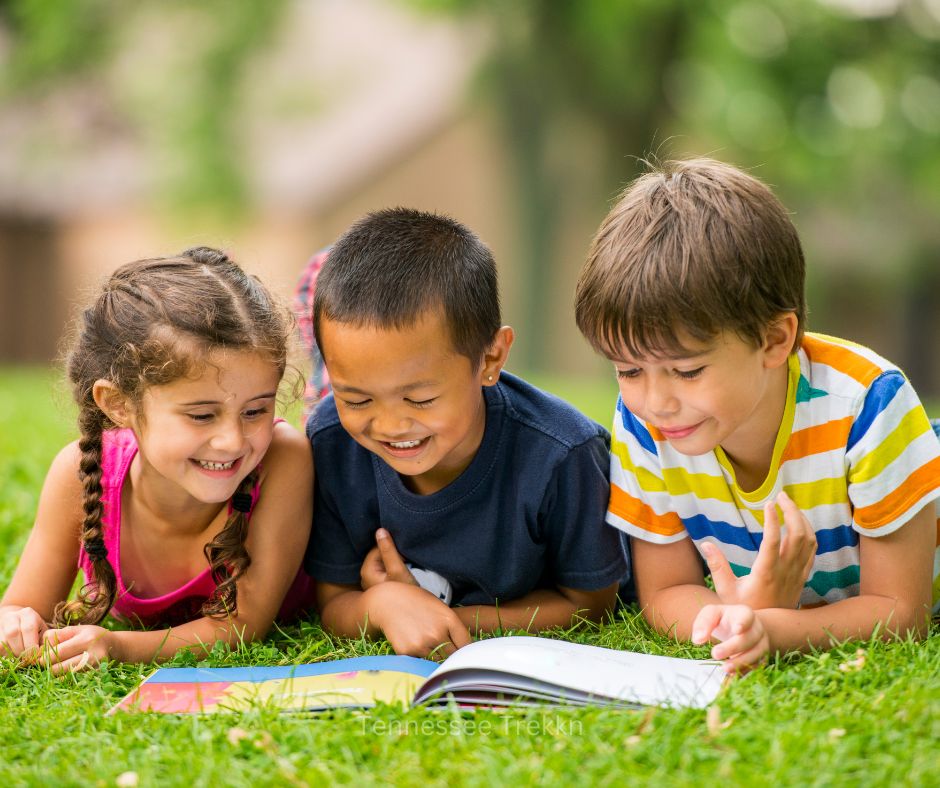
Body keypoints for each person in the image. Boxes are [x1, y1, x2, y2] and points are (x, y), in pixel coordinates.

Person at [574, 158, 940, 674]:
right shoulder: (644, 426)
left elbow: (902, 612)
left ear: (774, 340)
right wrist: (737, 622)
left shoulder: (869, 406)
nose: (657, 402)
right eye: (629, 370)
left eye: (687, 370)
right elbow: (664, 591)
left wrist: (770, 627)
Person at [304, 208, 627, 658]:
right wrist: (381, 604)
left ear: (491, 359)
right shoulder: (331, 442)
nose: (391, 425)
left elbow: (591, 604)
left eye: (419, 399)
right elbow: (334, 600)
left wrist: (441, 615)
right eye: (357, 400)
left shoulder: (562, 453)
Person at [0, 248, 315, 672]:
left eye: (255, 411)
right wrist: (14, 624)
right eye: (201, 415)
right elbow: (23, 607)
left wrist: (118, 646)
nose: (231, 440)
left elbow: (241, 626)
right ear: (118, 404)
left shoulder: (283, 460)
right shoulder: (79, 473)